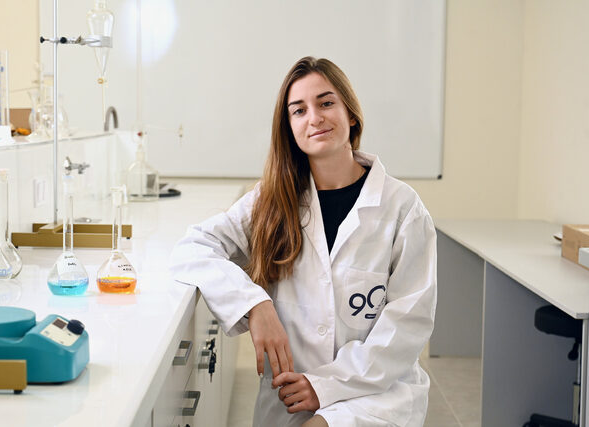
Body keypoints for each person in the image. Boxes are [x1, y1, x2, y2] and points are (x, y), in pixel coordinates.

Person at [169, 56, 437, 427]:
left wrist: (327, 385)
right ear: (290, 128)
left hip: (376, 393)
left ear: (351, 114)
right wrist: (255, 304)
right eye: (299, 110)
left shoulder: (401, 207)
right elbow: (192, 248)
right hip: (290, 395)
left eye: (326, 103)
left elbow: (408, 325)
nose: (315, 118)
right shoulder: (272, 201)